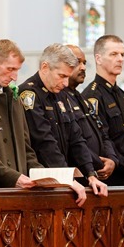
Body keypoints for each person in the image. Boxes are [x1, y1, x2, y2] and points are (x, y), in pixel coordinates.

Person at [0, 39, 87, 207]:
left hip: (18, 191)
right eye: (10, 69)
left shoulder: (13, 95)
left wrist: (51, 178)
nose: (14, 76)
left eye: (17, 70)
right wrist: (14, 178)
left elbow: (27, 149)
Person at [18, 43, 108, 197]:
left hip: (63, 178)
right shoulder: (29, 94)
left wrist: (90, 174)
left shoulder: (62, 93)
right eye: (62, 76)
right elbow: (44, 141)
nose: (66, 83)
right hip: (42, 182)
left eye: (68, 76)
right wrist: (66, 178)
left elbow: (76, 138)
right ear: (45, 67)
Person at [82, 35, 124, 186]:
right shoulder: (92, 96)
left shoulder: (123, 96)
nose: (120, 59)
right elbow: (103, 140)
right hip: (114, 177)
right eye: (113, 54)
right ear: (98, 59)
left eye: (122, 54)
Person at [65, 44, 118, 182]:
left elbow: (103, 133)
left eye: (84, 63)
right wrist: (98, 163)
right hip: (82, 175)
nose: (83, 67)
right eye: (77, 62)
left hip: (97, 174)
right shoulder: (61, 99)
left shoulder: (81, 98)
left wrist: (112, 159)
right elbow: (75, 141)